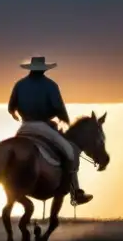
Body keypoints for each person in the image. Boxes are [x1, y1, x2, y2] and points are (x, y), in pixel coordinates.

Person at [7, 56, 92, 205]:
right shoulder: (51, 85)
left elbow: (11, 108)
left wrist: (18, 116)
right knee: (69, 152)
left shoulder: (19, 85)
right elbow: (59, 107)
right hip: (44, 126)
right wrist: (64, 119)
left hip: (25, 127)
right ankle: (76, 193)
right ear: (44, 70)